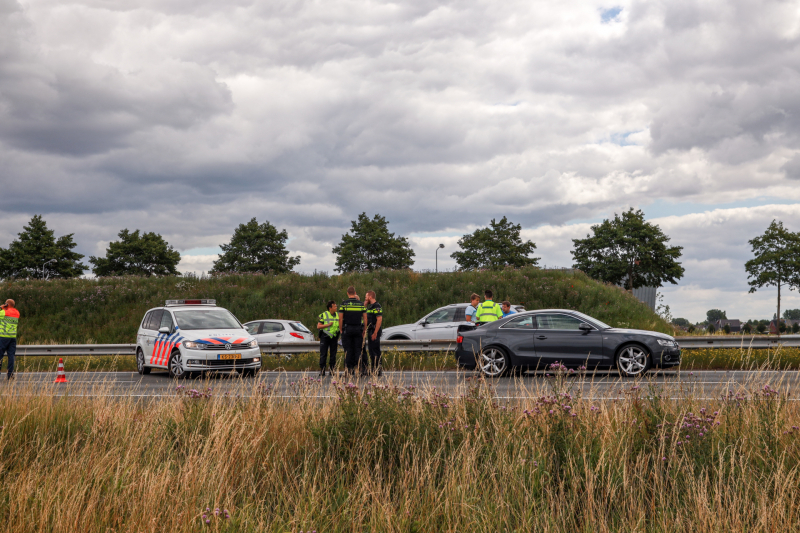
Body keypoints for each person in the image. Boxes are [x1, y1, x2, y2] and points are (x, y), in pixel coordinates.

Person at [338, 286, 367, 376]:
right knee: (358, 349)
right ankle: (359, 369)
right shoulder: (361, 304)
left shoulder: (344, 304)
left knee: (348, 350)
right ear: (355, 293)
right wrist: (364, 329)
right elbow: (365, 318)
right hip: (358, 329)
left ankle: (349, 370)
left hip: (347, 329)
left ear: (347, 293)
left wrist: (341, 329)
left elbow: (340, 318)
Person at [316, 300, 339, 376]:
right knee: (323, 354)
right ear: (330, 308)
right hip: (325, 336)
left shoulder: (338, 315)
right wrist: (328, 325)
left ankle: (332, 371)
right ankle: (322, 370)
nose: (336, 307)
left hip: (334, 337)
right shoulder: (324, 315)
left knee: (333, 354)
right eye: (335, 306)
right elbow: (318, 326)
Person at [364, 290, 383, 376]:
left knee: (375, 350)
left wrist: (375, 332)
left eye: (366, 297)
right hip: (370, 330)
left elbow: (379, 319)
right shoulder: (370, 307)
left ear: (370, 297)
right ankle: (373, 369)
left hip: (375, 330)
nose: (365, 298)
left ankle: (378, 370)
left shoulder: (377, 306)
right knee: (371, 350)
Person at [0, 299, 19, 380]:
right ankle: (10, 374)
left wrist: (1, 307)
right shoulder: (17, 313)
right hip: (12, 337)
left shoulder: (4, 312)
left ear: (7, 304)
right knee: (11, 356)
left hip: (3, 337)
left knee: (0, 356)